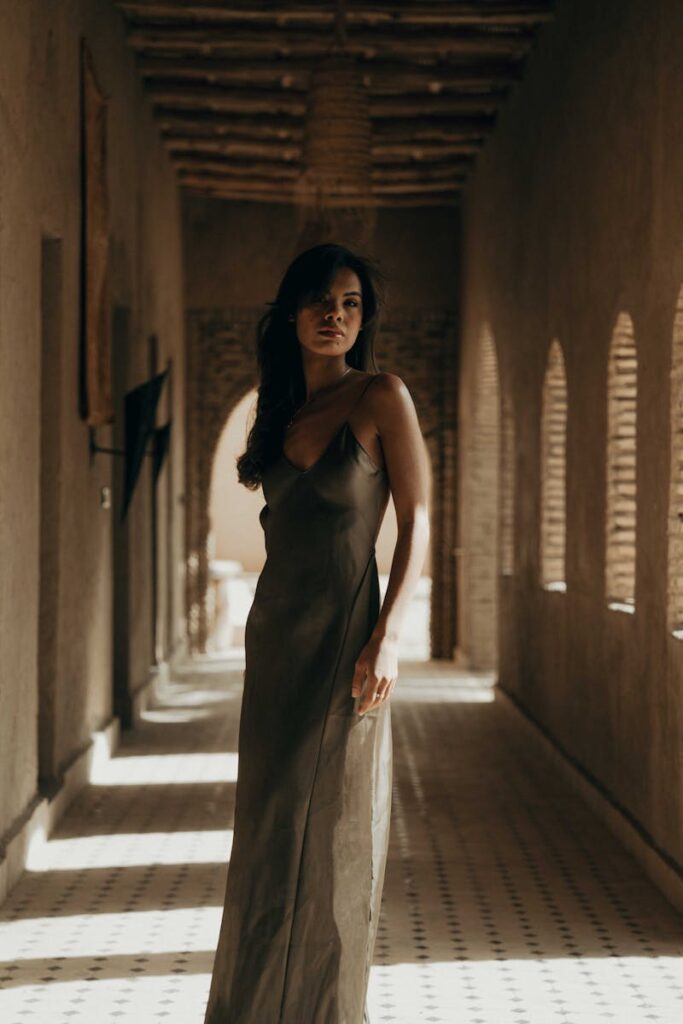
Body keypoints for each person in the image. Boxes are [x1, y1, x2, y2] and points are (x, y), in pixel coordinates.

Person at [204, 242, 431, 1023]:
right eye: (319, 301)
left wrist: (389, 636)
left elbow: (418, 519)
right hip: (275, 640)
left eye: (350, 304)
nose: (334, 315)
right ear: (291, 313)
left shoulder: (381, 396)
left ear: (361, 319)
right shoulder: (283, 409)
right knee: (267, 831)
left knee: (334, 835)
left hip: (347, 639)